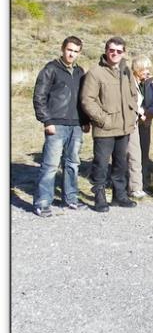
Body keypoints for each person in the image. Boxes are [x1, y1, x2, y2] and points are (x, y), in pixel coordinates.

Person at [32, 36, 91, 216]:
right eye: (69, 50)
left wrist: (85, 120)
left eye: (75, 51)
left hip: (76, 125)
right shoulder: (51, 69)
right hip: (56, 124)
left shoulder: (80, 72)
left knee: (72, 164)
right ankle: (42, 203)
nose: (72, 54)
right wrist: (47, 120)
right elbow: (39, 96)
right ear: (63, 49)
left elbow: (83, 99)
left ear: (79, 53)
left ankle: (70, 199)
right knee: (50, 165)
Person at [81, 36, 139, 212]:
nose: (115, 53)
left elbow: (133, 95)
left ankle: (119, 195)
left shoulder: (126, 71)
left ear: (124, 53)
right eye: (111, 50)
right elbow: (87, 100)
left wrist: (132, 113)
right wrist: (102, 120)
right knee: (101, 163)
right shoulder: (95, 72)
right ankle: (99, 196)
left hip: (124, 127)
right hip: (104, 128)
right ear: (106, 51)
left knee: (120, 163)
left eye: (119, 51)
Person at [126, 56, 153, 199]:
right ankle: (131, 186)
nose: (148, 71)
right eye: (145, 69)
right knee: (132, 154)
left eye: (148, 69)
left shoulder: (150, 83)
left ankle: (141, 184)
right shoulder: (128, 83)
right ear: (138, 69)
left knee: (143, 154)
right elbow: (129, 101)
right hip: (131, 123)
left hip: (145, 123)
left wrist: (147, 114)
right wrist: (140, 113)